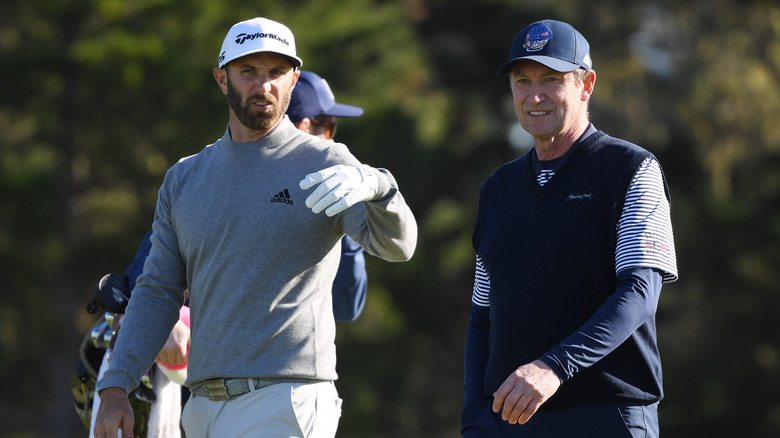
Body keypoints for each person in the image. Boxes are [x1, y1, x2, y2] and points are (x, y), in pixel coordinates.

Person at [93, 16, 417, 438]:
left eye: (276, 72)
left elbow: (398, 247)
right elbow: (156, 291)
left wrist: (379, 186)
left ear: (293, 79)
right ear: (222, 79)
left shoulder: (326, 162)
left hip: (287, 400)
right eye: (248, 71)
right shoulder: (185, 178)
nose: (263, 84)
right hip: (203, 406)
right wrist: (116, 384)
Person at [461, 19, 678, 437]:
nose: (534, 95)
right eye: (522, 81)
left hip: (606, 414)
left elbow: (640, 291)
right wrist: (474, 415)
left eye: (550, 79)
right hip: (508, 423)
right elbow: (482, 317)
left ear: (586, 84)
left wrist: (553, 367)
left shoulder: (631, 169)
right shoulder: (497, 189)